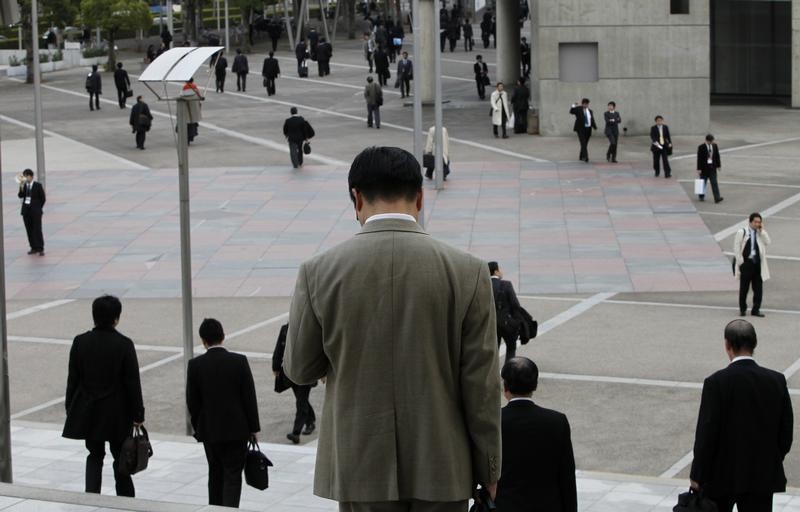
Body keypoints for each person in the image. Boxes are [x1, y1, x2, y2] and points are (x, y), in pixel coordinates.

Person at [284, 146, 501, 512]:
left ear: (356, 198)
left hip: (358, 465)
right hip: (443, 467)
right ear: (419, 197)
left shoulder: (318, 271)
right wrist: (490, 468)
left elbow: (300, 369)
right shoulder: (469, 271)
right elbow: (481, 387)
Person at [689, 320, 793, 512]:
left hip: (721, 476)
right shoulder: (776, 381)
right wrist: (770, 459)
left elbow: (706, 434)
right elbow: (785, 432)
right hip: (761, 476)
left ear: (727, 345)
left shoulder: (716, 382)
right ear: (755, 344)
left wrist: (697, 475)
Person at [62, 295, 145, 498]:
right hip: (118, 412)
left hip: (89, 410)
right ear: (116, 318)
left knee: (94, 455)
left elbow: (73, 379)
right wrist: (138, 414)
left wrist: (70, 407)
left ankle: (91, 496)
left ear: (94, 316)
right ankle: (125, 499)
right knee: (121, 457)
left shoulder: (80, 342)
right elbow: (132, 383)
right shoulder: (124, 344)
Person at [187, 318, 260, 508]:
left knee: (215, 472)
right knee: (233, 475)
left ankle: (214, 507)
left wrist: (199, 427)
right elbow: (249, 398)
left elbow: (192, 402)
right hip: (237, 430)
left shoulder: (195, 365)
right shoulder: (239, 361)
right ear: (223, 336)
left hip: (210, 430)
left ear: (203, 340)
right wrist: (253, 428)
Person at [496, 357, 577, 512]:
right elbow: (567, 476)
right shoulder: (557, 421)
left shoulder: (495, 422)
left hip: (505, 506)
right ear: (535, 385)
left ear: (505, 386)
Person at [273, 323, 316, 444]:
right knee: (301, 399)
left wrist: (323, 372)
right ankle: (310, 420)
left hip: (306, 372)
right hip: (290, 372)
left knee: (301, 401)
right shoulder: (285, 329)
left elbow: (317, 349)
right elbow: (279, 348)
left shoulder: (309, 329)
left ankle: (296, 432)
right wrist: (276, 366)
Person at [733, 213, 770, 317]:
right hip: (746, 264)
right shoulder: (742, 232)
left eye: (759, 222)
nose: (757, 224)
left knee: (758, 289)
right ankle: (743, 309)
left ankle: (756, 309)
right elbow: (736, 248)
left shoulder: (760, 233)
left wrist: (762, 231)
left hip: (757, 264)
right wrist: (741, 263)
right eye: (755, 222)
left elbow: (768, 242)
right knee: (744, 288)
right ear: (750, 222)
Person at [489, 261, 521, 363]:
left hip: (491, 323)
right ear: (496, 271)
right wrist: (517, 322)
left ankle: (492, 376)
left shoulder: (484, 285)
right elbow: (515, 305)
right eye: (500, 269)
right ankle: (508, 374)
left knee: (494, 351)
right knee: (511, 348)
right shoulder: (506, 285)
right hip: (506, 323)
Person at [17, 168, 45, 256]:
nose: (25, 178)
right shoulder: (24, 185)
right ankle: (33, 247)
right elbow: (20, 196)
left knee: (37, 229)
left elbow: (43, 199)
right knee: (29, 229)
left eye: (27, 176)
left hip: (36, 211)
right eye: (24, 176)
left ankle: (40, 248)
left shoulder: (38, 185)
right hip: (26, 211)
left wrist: (38, 208)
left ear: (31, 176)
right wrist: (21, 186)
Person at [696, 134, 723, 203]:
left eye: (712, 141)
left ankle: (717, 198)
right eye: (709, 141)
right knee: (702, 183)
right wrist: (699, 168)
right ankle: (701, 196)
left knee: (714, 183)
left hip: (712, 168)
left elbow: (717, 156)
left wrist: (718, 165)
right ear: (706, 140)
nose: (711, 142)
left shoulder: (714, 146)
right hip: (704, 168)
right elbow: (699, 158)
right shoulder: (701, 147)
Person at [181, 78, 203, 144]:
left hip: (186, 109)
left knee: (186, 124)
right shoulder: (194, 87)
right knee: (192, 123)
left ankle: (186, 138)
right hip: (193, 110)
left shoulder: (184, 87)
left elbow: (181, 95)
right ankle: (191, 137)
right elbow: (199, 96)